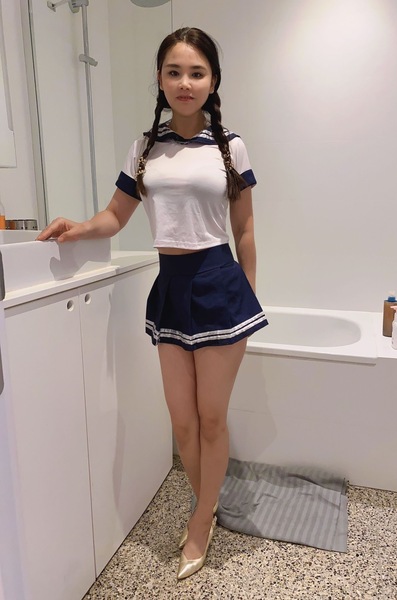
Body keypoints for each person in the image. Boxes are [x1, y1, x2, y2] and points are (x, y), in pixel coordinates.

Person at [37, 26, 268, 580]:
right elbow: (115, 215)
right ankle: (207, 501)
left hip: (219, 284)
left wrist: (248, 296)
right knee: (182, 423)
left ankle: (200, 521)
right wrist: (78, 226)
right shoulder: (145, 147)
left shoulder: (229, 146)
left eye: (196, 73)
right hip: (170, 286)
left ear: (213, 81)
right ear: (160, 80)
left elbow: (244, 229)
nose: (185, 82)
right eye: (174, 72)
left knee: (211, 419)